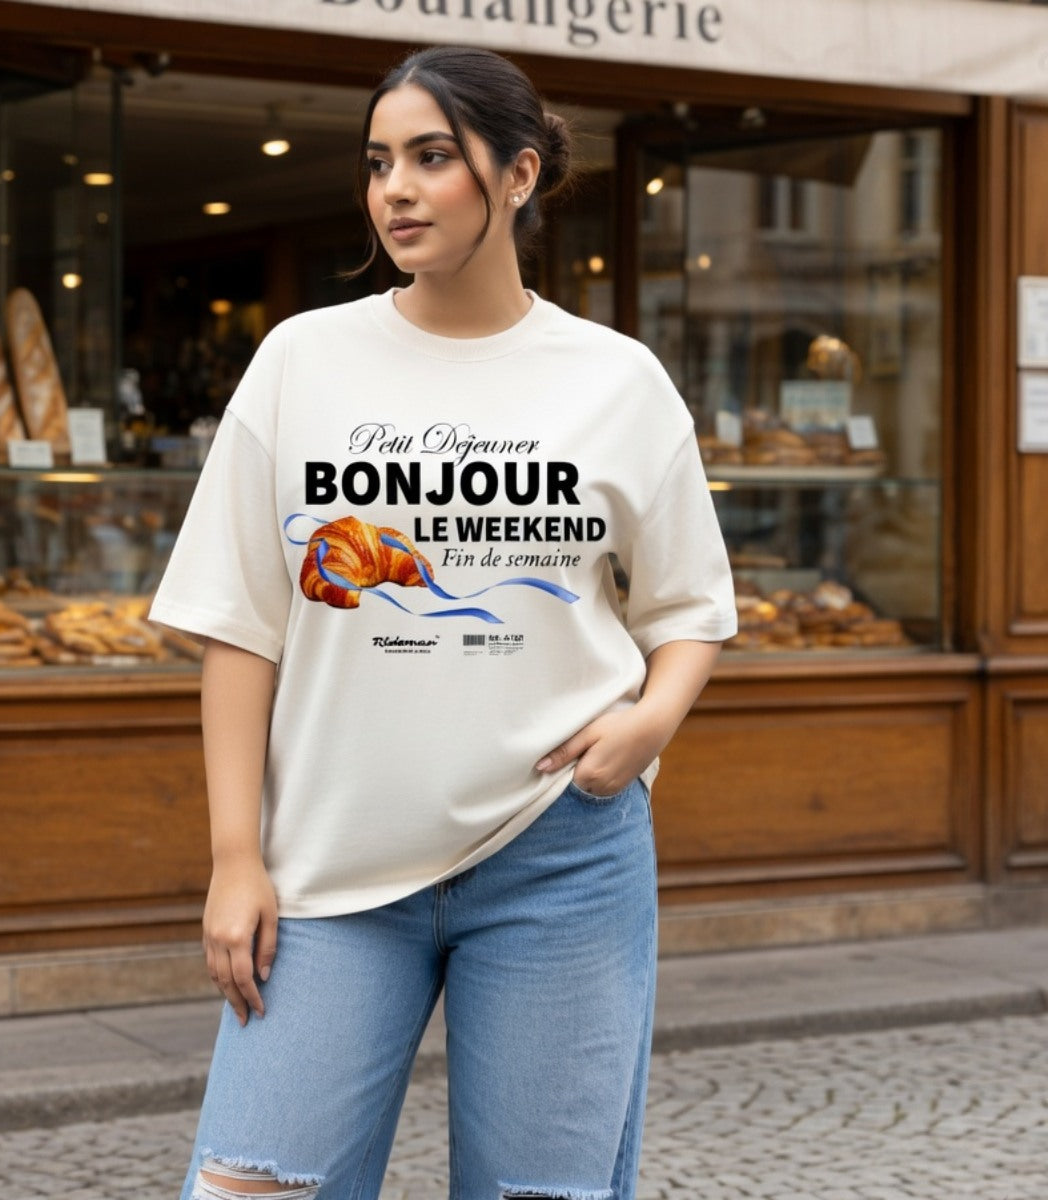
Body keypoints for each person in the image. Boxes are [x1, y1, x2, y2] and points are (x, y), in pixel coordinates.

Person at [150, 44, 736, 1200]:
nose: (396, 191)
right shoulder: (302, 361)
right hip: (330, 859)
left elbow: (688, 607)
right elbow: (240, 627)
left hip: (559, 852)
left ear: (518, 175)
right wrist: (234, 858)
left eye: (431, 157)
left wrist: (652, 721)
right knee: (251, 1186)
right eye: (379, 163)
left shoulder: (616, 379)